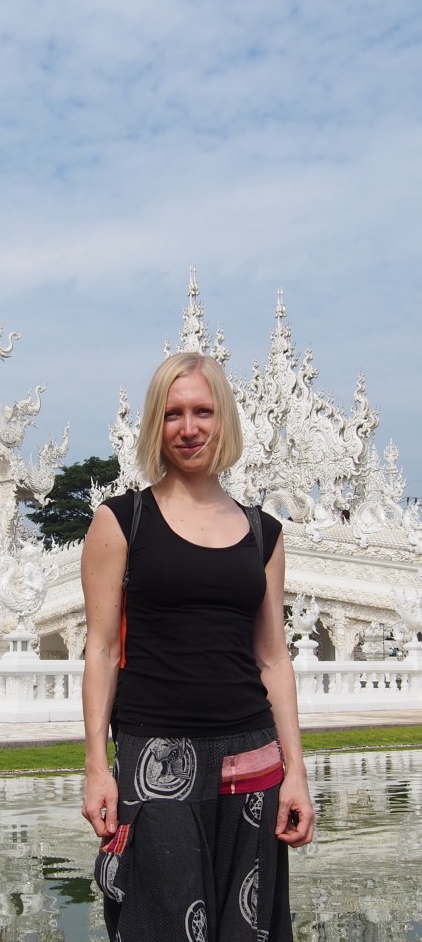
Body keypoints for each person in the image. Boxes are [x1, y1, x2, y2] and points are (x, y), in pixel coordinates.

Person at [81, 352, 314, 942]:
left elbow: (273, 659)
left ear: (224, 419)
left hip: (252, 757)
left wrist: (297, 774)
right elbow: (102, 651)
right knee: (158, 924)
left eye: (203, 412)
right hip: (155, 757)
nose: (189, 428)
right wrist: (94, 767)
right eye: (174, 413)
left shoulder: (264, 533)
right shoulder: (122, 521)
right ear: (156, 426)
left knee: (249, 930)